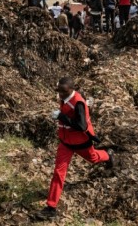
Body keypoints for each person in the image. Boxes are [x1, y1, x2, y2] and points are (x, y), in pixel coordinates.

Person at [36, 77, 114, 220]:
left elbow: (82, 126)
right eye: (58, 90)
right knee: (58, 173)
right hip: (65, 143)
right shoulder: (66, 96)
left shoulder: (78, 103)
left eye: (63, 91)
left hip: (81, 142)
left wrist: (62, 117)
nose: (60, 94)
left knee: (94, 158)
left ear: (71, 90)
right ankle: (51, 207)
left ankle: (108, 155)